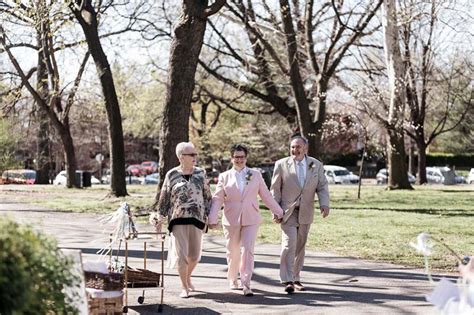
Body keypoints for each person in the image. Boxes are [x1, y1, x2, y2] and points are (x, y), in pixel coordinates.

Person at [208, 144, 284, 297]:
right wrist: (212, 217)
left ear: (246, 158)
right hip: (231, 219)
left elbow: (266, 195)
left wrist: (278, 211)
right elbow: (217, 199)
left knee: (248, 250)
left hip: (251, 218)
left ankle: (246, 283)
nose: (239, 160)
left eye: (242, 157)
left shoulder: (255, 174)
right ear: (232, 158)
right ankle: (232, 278)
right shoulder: (224, 176)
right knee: (233, 251)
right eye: (236, 157)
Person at [150, 142, 212, 298]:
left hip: (197, 218)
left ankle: (188, 276)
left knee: (195, 255)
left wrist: (211, 216)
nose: (195, 157)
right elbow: (164, 198)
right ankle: (184, 286)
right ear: (181, 157)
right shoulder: (171, 174)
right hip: (177, 220)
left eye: (195, 154)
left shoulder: (201, 173)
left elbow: (207, 196)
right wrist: (160, 217)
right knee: (181, 255)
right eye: (191, 155)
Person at [270, 135, 330, 294]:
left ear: (305, 149)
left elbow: (322, 186)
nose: (294, 150)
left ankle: (296, 278)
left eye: (298, 147)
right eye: (292, 147)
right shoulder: (281, 164)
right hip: (287, 212)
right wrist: (275, 210)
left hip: (306, 211)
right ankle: (287, 280)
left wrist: (324, 204)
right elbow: (275, 189)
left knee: (300, 246)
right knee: (289, 244)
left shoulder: (316, 165)